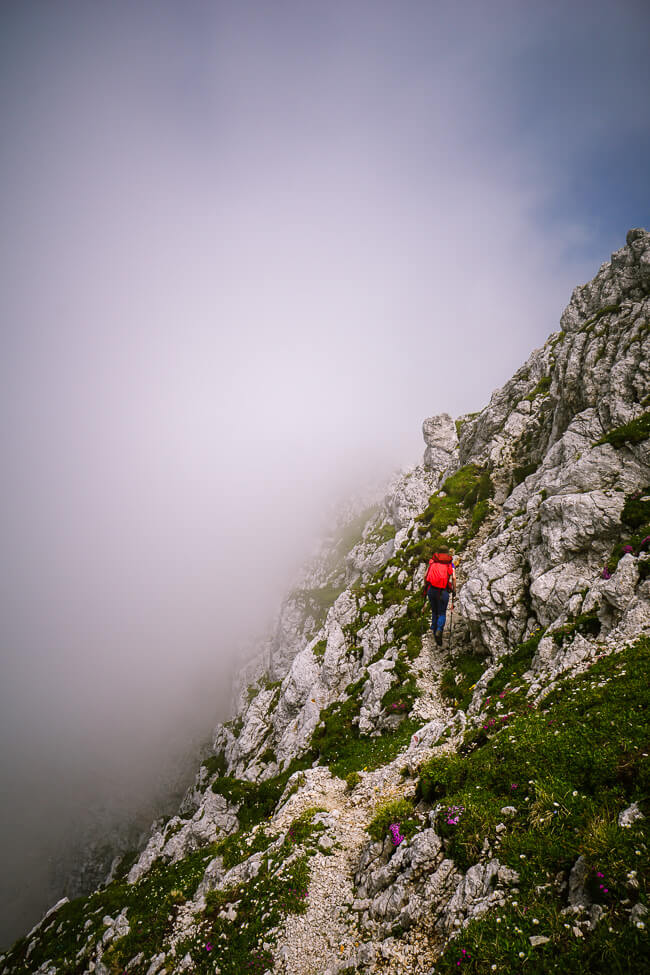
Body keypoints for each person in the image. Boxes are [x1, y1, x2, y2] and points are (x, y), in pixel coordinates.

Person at [423, 547, 456, 646]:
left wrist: (425, 588)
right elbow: (453, 577)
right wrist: (454, 590)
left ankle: (434, 629)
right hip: (443, 591)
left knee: (434, 610)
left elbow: (425, 576)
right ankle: (439, 630)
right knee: (442, 612)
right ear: (447, 553)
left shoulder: (433, 562)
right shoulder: (450, 563)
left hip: (431, 590)